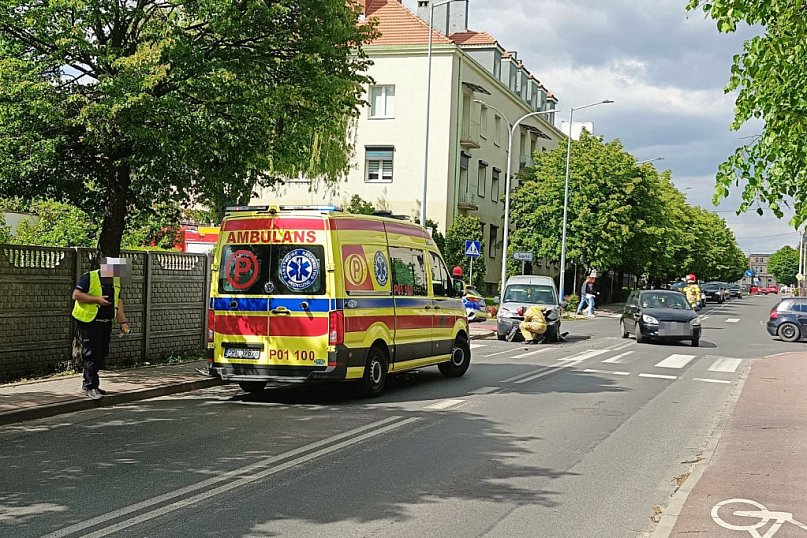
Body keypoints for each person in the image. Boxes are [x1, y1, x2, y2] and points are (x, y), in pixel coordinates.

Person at [72, 257, 130, 400]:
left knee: (102, 353)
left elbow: (118, 302)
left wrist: (123, 322)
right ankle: (90, 386)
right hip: (90, 321)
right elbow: (76, 295)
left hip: (106, 321)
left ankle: (92, 384)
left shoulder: (115, 281)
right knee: (91, 353)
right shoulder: (89, 277)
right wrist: (97, 300)